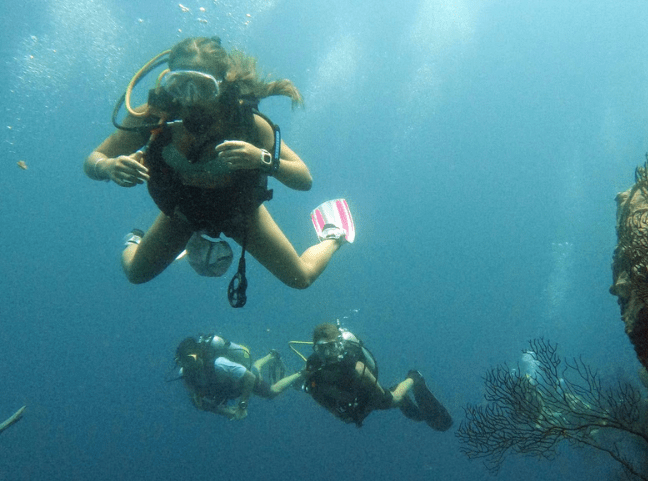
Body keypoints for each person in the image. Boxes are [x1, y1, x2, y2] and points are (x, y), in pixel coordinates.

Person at [84, 36, 351, 298]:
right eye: (179, 84)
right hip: (181, 213)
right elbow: (93, 159)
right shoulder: (152, 118)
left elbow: (304, 180)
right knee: (135, 273)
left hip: (239, 213)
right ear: (168, 82)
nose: (189, 98)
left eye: (201, 86)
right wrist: (107, 167)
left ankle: (333, 236)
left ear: (222, 85)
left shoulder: (248, 124)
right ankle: (135, 240)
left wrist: (263, 159)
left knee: (301, 278)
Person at [298, 323, 453, 430]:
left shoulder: (356, 366)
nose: (327, 354)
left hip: (368, 389)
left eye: (331, 347)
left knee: (394, 400)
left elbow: (384, 398)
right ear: (315, 348)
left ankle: (414, 377)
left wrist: (382, 399)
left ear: (338, 345)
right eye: (321, 349)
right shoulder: (314, 367)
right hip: (354, 399)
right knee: (416, 416)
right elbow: (318, 395)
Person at [174, 334, 303, 420]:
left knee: (271, 392)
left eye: (192, 359)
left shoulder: (219, 364)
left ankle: (302, 373)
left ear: (200, 354)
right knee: (253, 370)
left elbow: (250, 378)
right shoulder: (186, 374)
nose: (190, 365)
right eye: (185, 362)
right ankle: (271, 355)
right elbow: (199, 403)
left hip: (240, 380)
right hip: (231, 384)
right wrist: (227, 413)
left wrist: (242, 405)